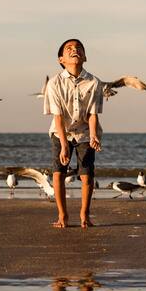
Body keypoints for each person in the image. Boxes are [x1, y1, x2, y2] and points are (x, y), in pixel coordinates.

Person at [44, 38, 103, 228]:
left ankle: (84, 215)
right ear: (61, 59)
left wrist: (94, 135)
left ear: (85, 56)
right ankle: (63, 215)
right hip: (61, 132)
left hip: (85, 131)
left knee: (86, 174)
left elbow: (93, 114)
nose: (74, 50)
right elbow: (58, 117)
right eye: (69, 48)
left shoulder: (94, 82)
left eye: (78, 48)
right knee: (58, 173)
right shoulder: (54, 83)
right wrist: (63, 146)